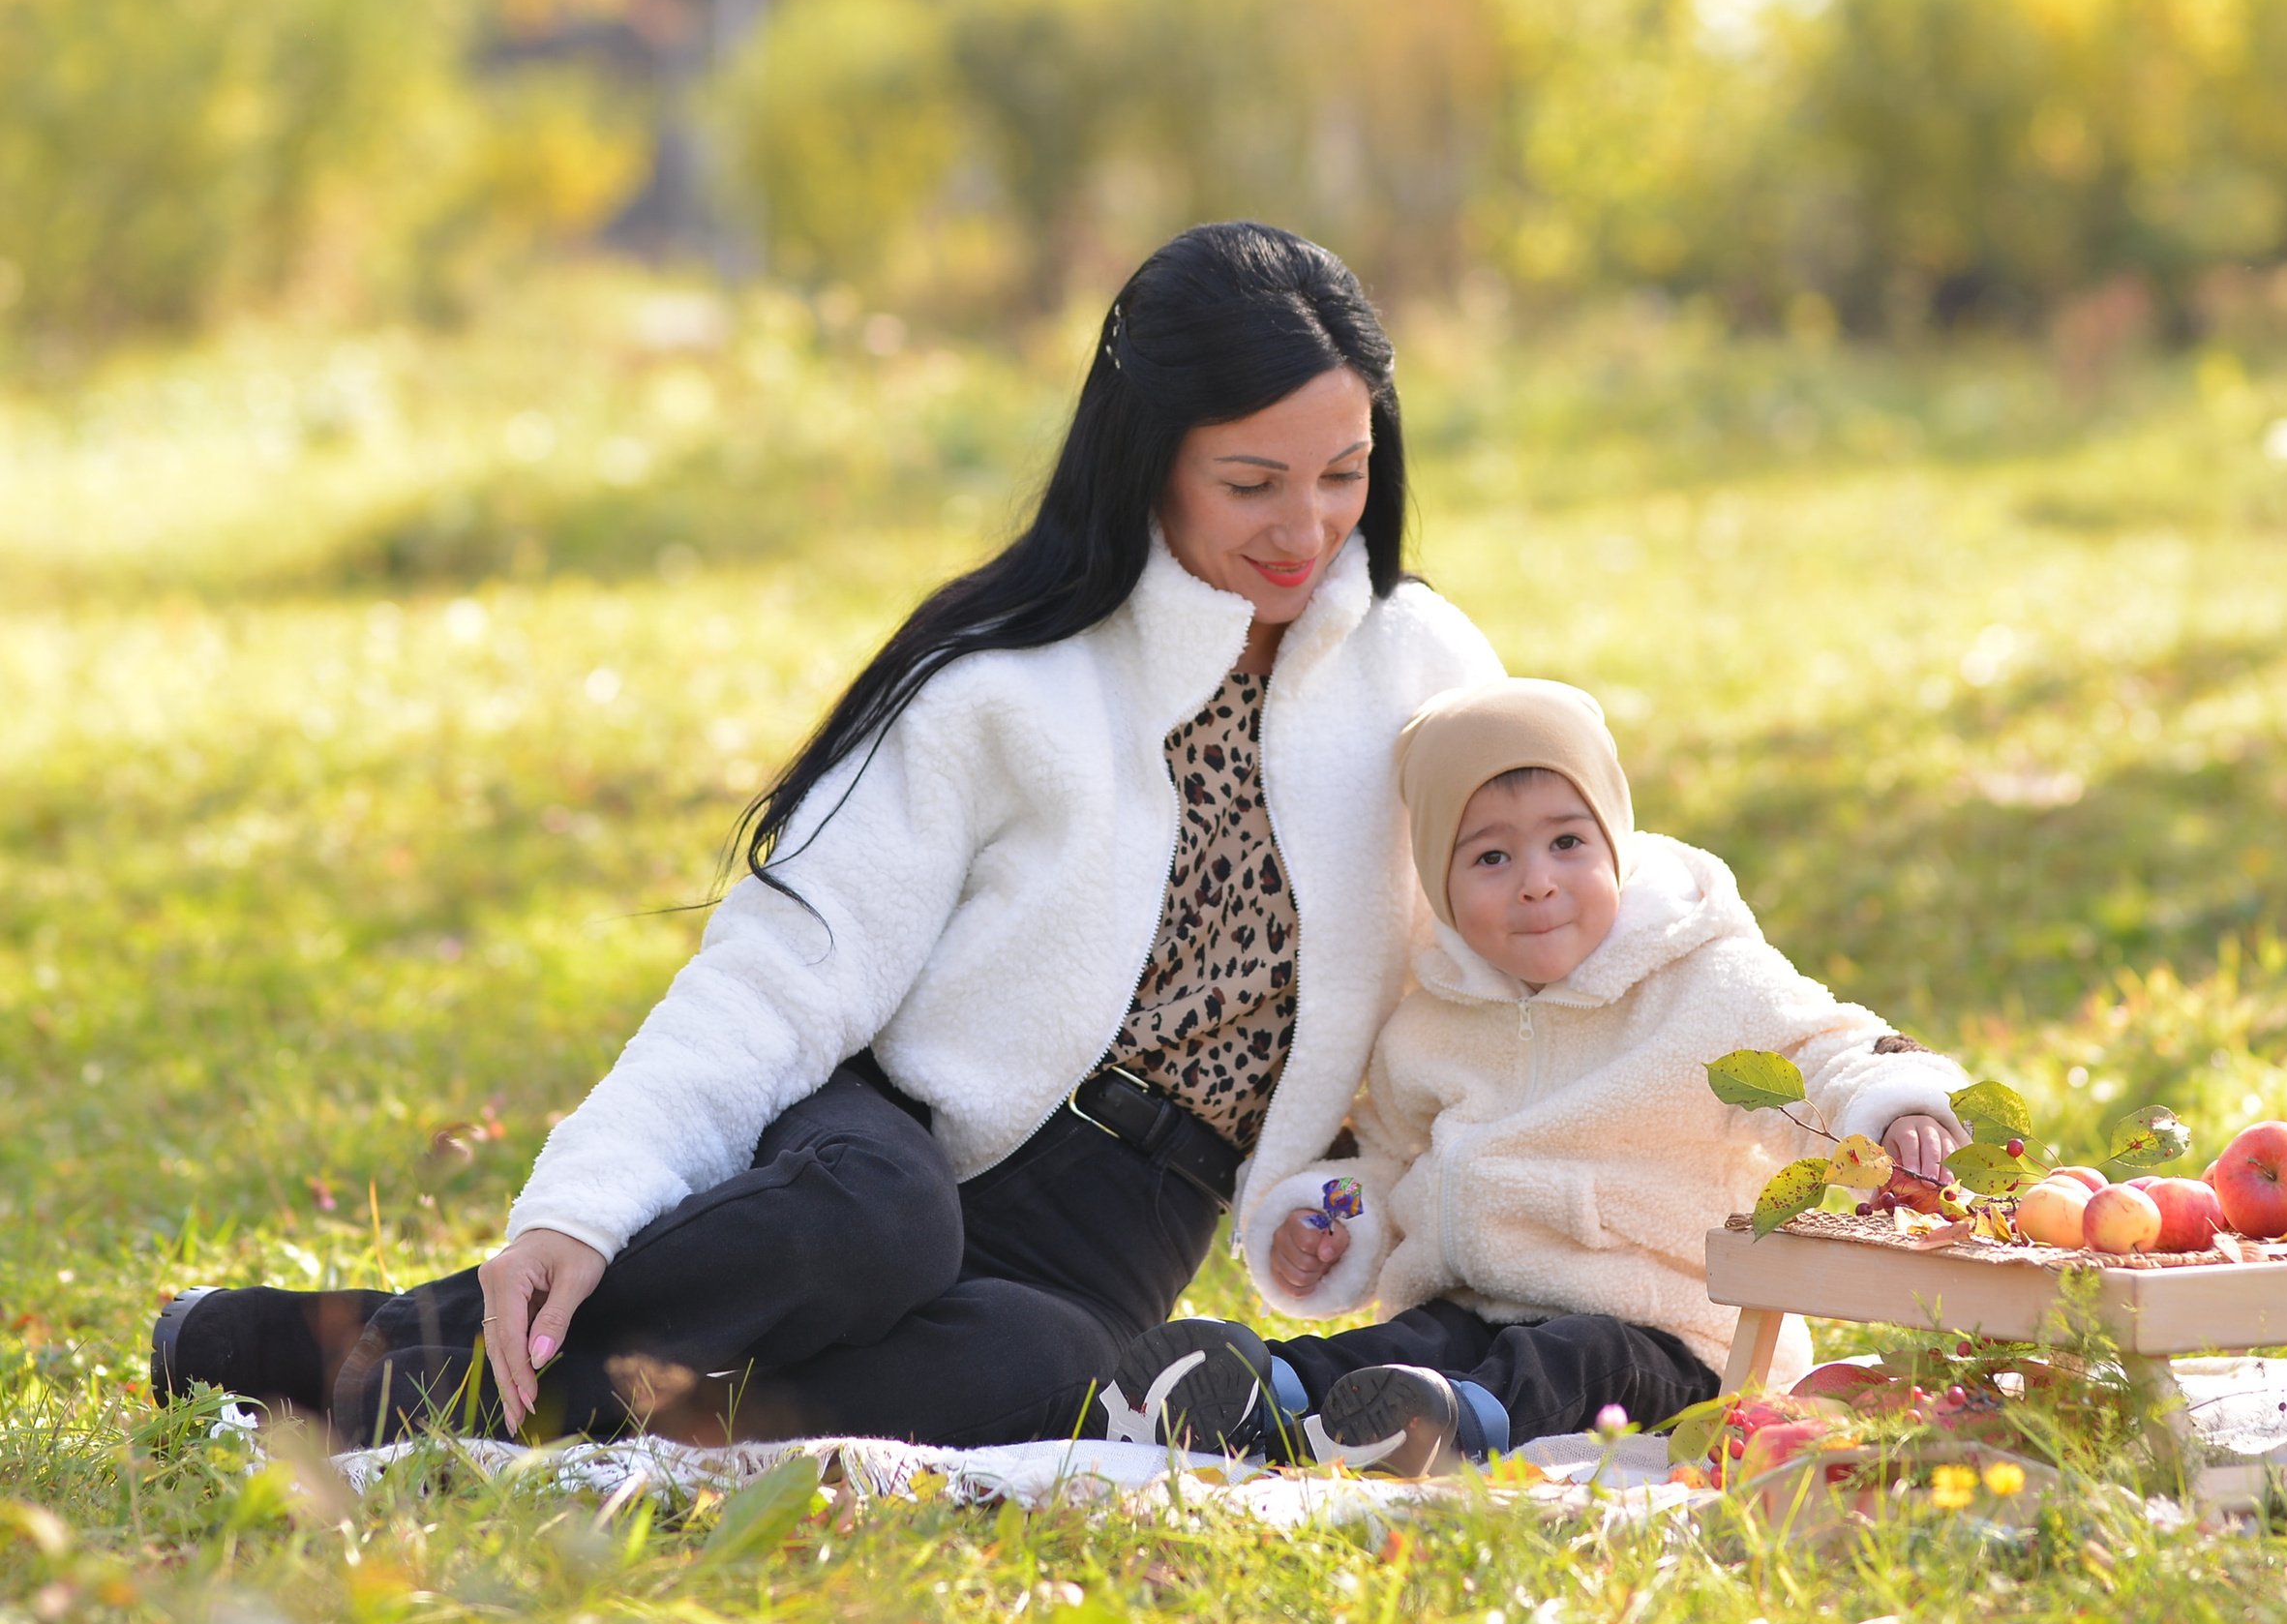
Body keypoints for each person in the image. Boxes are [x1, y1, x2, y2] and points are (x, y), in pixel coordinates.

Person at [151, 224, 1502, 1448]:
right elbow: (785, 967)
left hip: (1114, 1240)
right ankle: (406, 1392)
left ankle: (353, 1352)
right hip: (892, 1147)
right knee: (875, 1225)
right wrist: (581, 1202)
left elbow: (1526, 926)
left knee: (1043, 1373)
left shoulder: (1424, 672)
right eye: (1253, 482)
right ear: (1150, 459)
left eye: (1344, 473)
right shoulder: (1005, 678)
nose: (1308, 526)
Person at [1081, 677, 1967, 1474]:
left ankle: (1448, 1427)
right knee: (1408, 1344)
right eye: (1491, 858)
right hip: (1475, 1305)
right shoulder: (1430, 1022)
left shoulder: (1704, 983)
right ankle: (1256, 1392)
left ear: (1615, 843)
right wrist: (1333, 1219)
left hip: (1668, 1334)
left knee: (1571, 1362)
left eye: (1567, 841)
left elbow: (1827, 1047)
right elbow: (1386, 1158)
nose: (1537, 883)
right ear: (1441, 883)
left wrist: (1895, 1108)